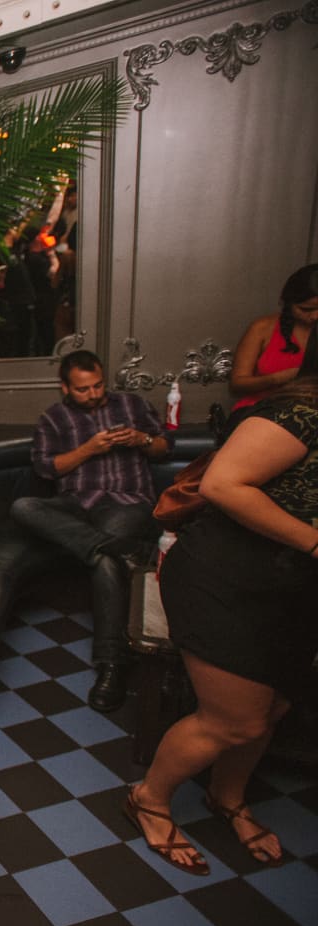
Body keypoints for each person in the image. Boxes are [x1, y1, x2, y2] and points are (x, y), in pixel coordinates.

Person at [126, 335, 318, 875]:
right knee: (234, 720)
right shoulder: (300, 415)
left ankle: (227, 796)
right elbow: (223, 484)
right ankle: (148, 798)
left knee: (271, 709)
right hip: (227, 579)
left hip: (292, 588)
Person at [10, 349, 169, 713]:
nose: (94, 394)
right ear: (65, 387)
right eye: (83, 389)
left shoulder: (132, 405)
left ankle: (111, 664)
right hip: (75, 504)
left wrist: (141, 440)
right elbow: (47, 469)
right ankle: (119, 549)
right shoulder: (53, 418)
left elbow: (163, 447)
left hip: (126, 502)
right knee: (23, 507)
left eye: (98, 385)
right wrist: (88, 449)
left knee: (104, 562)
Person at [229, 263, 318, 410]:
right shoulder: (262, 328)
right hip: (263, 410)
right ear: (288, 303)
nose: (315, 316)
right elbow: (237, 385)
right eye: (306, 309)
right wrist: (276, 379)